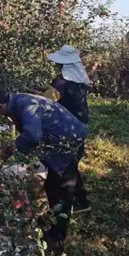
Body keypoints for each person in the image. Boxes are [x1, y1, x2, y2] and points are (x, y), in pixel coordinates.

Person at [0, 87, 88, 254]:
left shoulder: (25, 105)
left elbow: (33, 135)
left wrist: (13, 148)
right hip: (65, 137)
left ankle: (57, 239)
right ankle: (77, 204)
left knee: (58, 189)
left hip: (68, 141)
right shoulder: (19, 100)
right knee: (58, 181)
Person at [32, 45, 91, 214]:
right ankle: (81, 200)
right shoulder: (80, 78)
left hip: (67, 125)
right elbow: (58, 95)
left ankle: (66, 202)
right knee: (73, 161)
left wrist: (32, 94)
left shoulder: (62, 80)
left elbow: (48, 100)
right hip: (81, 121)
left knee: (66, 164)